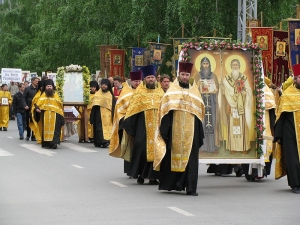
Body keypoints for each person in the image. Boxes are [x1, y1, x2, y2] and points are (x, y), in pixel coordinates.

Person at [154, 62, 205, 196]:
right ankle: (172, 184)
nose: (184, 77)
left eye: (187, 75)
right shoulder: (172, 92)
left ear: (190, 75)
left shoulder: (195, 92)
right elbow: (165, 111)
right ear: (179, 75)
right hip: (174, 131)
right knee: (172, 157)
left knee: (191, 161)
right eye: (182, 74)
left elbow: (199, 113)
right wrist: (165, 131)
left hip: (191, 132)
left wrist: (199, 134)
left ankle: (190, 188)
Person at [123, 65, 164, 184]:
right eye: (148, 77)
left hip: (157, 128)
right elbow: (132, 111)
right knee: (141, 150)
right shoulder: (138, 93)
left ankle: (152, 177)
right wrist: (131, 128)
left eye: (152, 77)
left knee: (157, 150)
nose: (151, 79)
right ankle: (140, 174)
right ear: (144, 79)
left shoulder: (160, 93)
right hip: (142, 128)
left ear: (155, 78)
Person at [109, 71, 142, 174]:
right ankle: (129, 170)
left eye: (139, 81)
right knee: (128, 146)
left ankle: (138, 169)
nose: (137, 83)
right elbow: (119, 109)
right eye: (135, 81)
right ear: (131, 81)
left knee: (139, 147)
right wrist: (125, 123)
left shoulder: (143, 92)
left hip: (140, 124)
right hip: (128, 124)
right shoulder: (125, 93)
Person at [242, 80, 276, 181]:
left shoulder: (266, 91)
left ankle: (262, 172)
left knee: (263, 146)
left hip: (264, 124)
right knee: (250, 145)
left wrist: (273, 127)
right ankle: (250, 173)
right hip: (249, 123)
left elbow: (272, 111)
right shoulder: (247, 88)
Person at [274, 64, 300, 194]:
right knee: (292, 158)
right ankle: (295, 184)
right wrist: (278, 135)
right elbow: (281, 115)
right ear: (295, 79)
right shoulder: (287, 94)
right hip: (291, 132)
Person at [218, 59, 253, 153]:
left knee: (242, 126)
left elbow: (249, 91)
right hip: (231, 106)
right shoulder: (226, 79)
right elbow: (224, 92)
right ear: (231, 66)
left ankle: (243, 147)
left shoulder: (244, 77)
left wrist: (245, 93)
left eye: (237, 65)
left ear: (239, 66)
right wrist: (222, 87)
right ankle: (232, 147)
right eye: (233, 65)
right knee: (232, 126)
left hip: (241, 105)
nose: (235, 66)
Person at [194, 56, 220, 153]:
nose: (205, 66)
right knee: (202, 123)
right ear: (201, 65)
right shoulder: (197, 76)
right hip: (201, 102)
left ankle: (213, 146)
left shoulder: (214, 76)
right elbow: (193, 89)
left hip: (211, 102)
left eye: (207, 64)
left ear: (209, 65)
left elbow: (217, 89)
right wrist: (198, 85)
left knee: (212, 123)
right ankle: (202, 147)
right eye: (204, 64)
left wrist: (214, 89)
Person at [34, 79, 64, 149]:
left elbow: (60, 105)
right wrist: (37, 109)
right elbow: (38, 104)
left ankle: (54, 143)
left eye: (50, 86)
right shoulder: (43, 95)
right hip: (45, 115)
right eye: (48, 86)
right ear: (45, 87)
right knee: (46, 129)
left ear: (53, 87)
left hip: (56, 115)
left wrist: (61, 116)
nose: (49, 87)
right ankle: (47, 143)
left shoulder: (56, 95)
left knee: (55, 129)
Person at [90, 79, 116, 148]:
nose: (104, 86)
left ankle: (107, 140)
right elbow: (94, 104)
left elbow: (113, 105)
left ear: (107, 86)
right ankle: (102, 141)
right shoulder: (97, 94)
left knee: (109, 127)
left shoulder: (110, 94)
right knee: (99, 128)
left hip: (109, 114)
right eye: (102, 85)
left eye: (105, 85)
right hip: (100, 114)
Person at [24, 77, 39, 141]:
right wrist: (25, 105)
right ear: (32, 81)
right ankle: (28, 135)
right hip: (29, 108)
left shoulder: (38, 89)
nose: (37, 82)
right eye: (36, 81)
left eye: (38, 81)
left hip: (36, 108)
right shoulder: (27, 89)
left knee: (35, 121)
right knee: (28, 121)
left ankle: (34, 135)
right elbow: (23, 98)